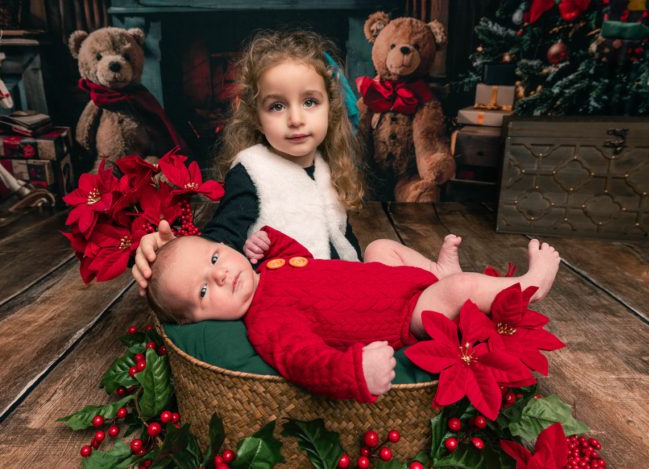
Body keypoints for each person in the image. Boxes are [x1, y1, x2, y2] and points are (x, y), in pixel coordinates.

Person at [146, 226, 560, 404]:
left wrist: (273, 243)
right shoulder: (266, 322)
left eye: (215, 256)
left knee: (379, 247)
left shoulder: (266, 273)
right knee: (461, 290)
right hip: (407, 315)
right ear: (199, 320)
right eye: (204, 290)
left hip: (399, 282)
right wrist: (355, 373)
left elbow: (304, 262)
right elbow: (305, 362)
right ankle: (529, 286)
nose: (220, 273)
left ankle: (438, 272)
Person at [133, 30, 369, 294]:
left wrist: (360, 272)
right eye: (277, 106)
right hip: (289, 296)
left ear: (330, 108)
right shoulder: (253, 170)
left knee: (381, 253)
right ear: (257, 118)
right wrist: (173, 252)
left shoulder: (326, 165)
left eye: (310, 102)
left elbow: (341, 236)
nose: (295, 118)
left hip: (343, 286)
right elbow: (223, 236)